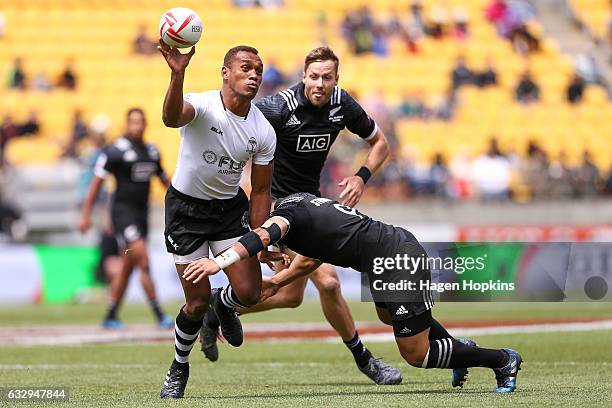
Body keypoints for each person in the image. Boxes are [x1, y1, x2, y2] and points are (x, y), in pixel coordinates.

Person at [182, 193, 523, 393]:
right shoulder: (299, 201)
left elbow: (267, 234)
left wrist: (220, 261)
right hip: (386, 255)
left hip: (396, 259)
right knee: (388, 316)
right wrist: (279, 281)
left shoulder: (284, 217)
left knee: (415, 354)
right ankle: (459, 353)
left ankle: (501, 360)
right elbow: (313, 256)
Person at [201, 46, 401, 385]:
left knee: (291, 297)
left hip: (310, 202)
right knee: (328, 280)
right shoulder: (279, 107)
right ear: (303, 77)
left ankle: (219, 308)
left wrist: (360, 177)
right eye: (313, 77)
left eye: (326, 77)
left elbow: (380, 143)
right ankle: (365, 360)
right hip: (278, 205)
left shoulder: (343, 105)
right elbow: (238, 126)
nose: (319, 84)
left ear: (336, 80)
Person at [157, 41, 277, 399]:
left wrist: (260, 241)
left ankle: (221, 306)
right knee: (194, 303)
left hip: (227, 211)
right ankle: (179, 366)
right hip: (186, 212)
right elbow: (170, 117)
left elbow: (260, 191)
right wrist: (177, 74)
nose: (253, 74)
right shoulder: (203, 104)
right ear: (226, 72)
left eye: (258, 69)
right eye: (245, 67)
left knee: (250, 292)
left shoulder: (263, 131)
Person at [79, 108, 173, 330]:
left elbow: (164, 180)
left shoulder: (151, 151)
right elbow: (97, 182)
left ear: (146, 124)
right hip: (122, 214)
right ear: (127, 124)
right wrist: (86, 214)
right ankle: (159, 314)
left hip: (142, 215)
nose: (137, 126)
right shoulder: (115, 151)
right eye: (133, 122)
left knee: (128, 266)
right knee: (143, 258)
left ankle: (111, 314)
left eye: (140, 122)